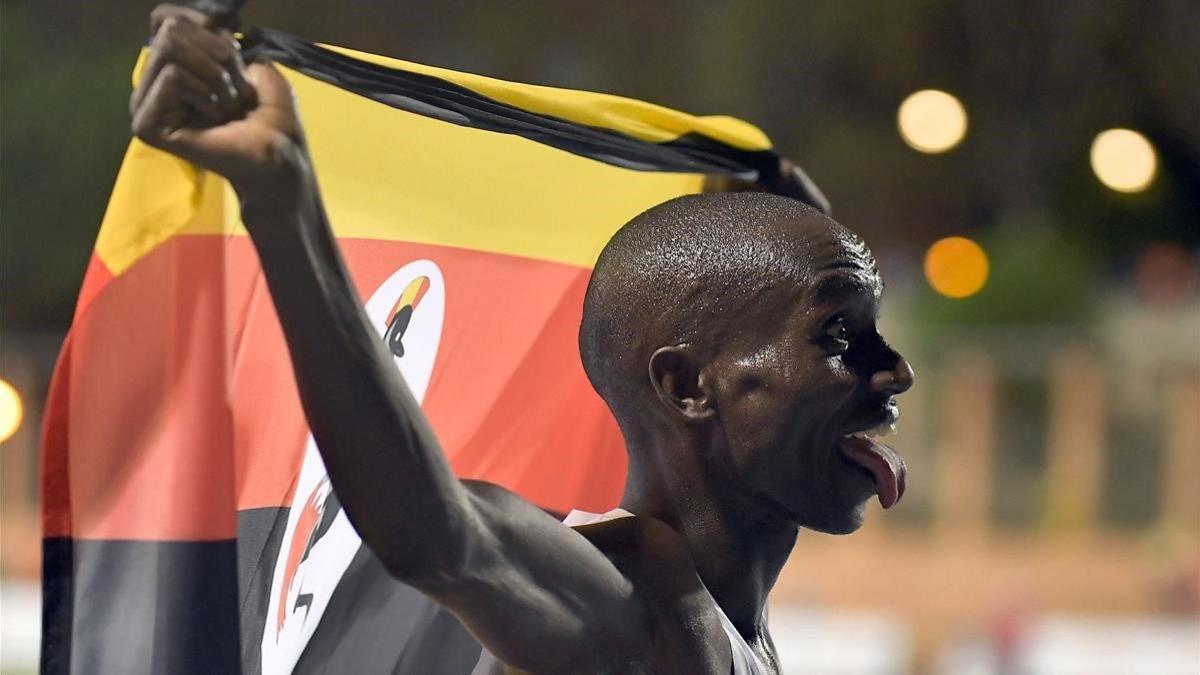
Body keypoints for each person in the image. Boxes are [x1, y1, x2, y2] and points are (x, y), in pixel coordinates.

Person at [131, 8, 913, 674]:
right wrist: (281, 199)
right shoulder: (628, 600)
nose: (897, 371)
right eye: (841, 337)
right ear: (685, 386)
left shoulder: (737, 626)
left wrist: (793, 233)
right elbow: (433, 529)